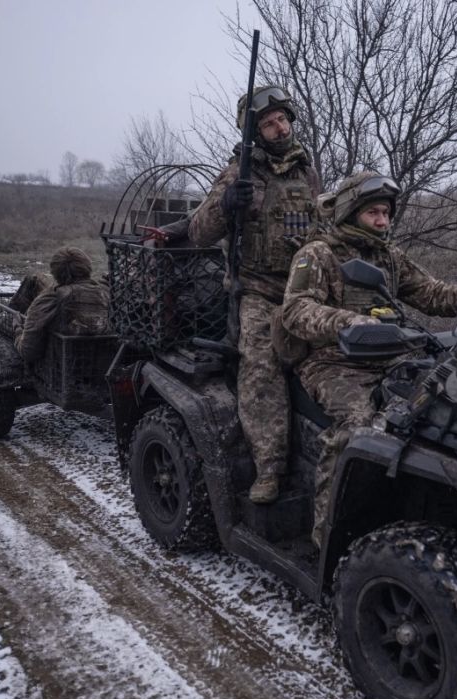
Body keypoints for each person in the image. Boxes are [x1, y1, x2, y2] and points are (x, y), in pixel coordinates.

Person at [281, 171, 457, 547]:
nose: (383, 221)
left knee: (446, 410)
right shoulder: (318, 254)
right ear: (353, 212)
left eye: (386, 213)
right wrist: (348, 322)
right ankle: (327, 533)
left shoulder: (387, 254)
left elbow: (429, 292)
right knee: (359, 426)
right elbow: (295, 310)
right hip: (333, 362)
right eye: (374, 213)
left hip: (391, 356)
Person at [188, 85, 320, 504]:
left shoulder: (307, 172)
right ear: (255, 132)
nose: (279, 128)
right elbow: (198, 233)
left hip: (305, 288)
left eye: (282, 119)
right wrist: (227, 203)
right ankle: (270, 468)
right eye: (268, 123)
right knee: (261, 368)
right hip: (258, 291)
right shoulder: (238, 172)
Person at [14, 246, 109, 362]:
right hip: (101, 362)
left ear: (55, 272)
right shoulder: (106, 293)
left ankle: (12, 315)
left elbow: (28, 352)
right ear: (88, 267)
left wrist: (18, 330)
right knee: (37, 279)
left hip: (59, 363)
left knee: (34, 279)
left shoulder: (49, 300)